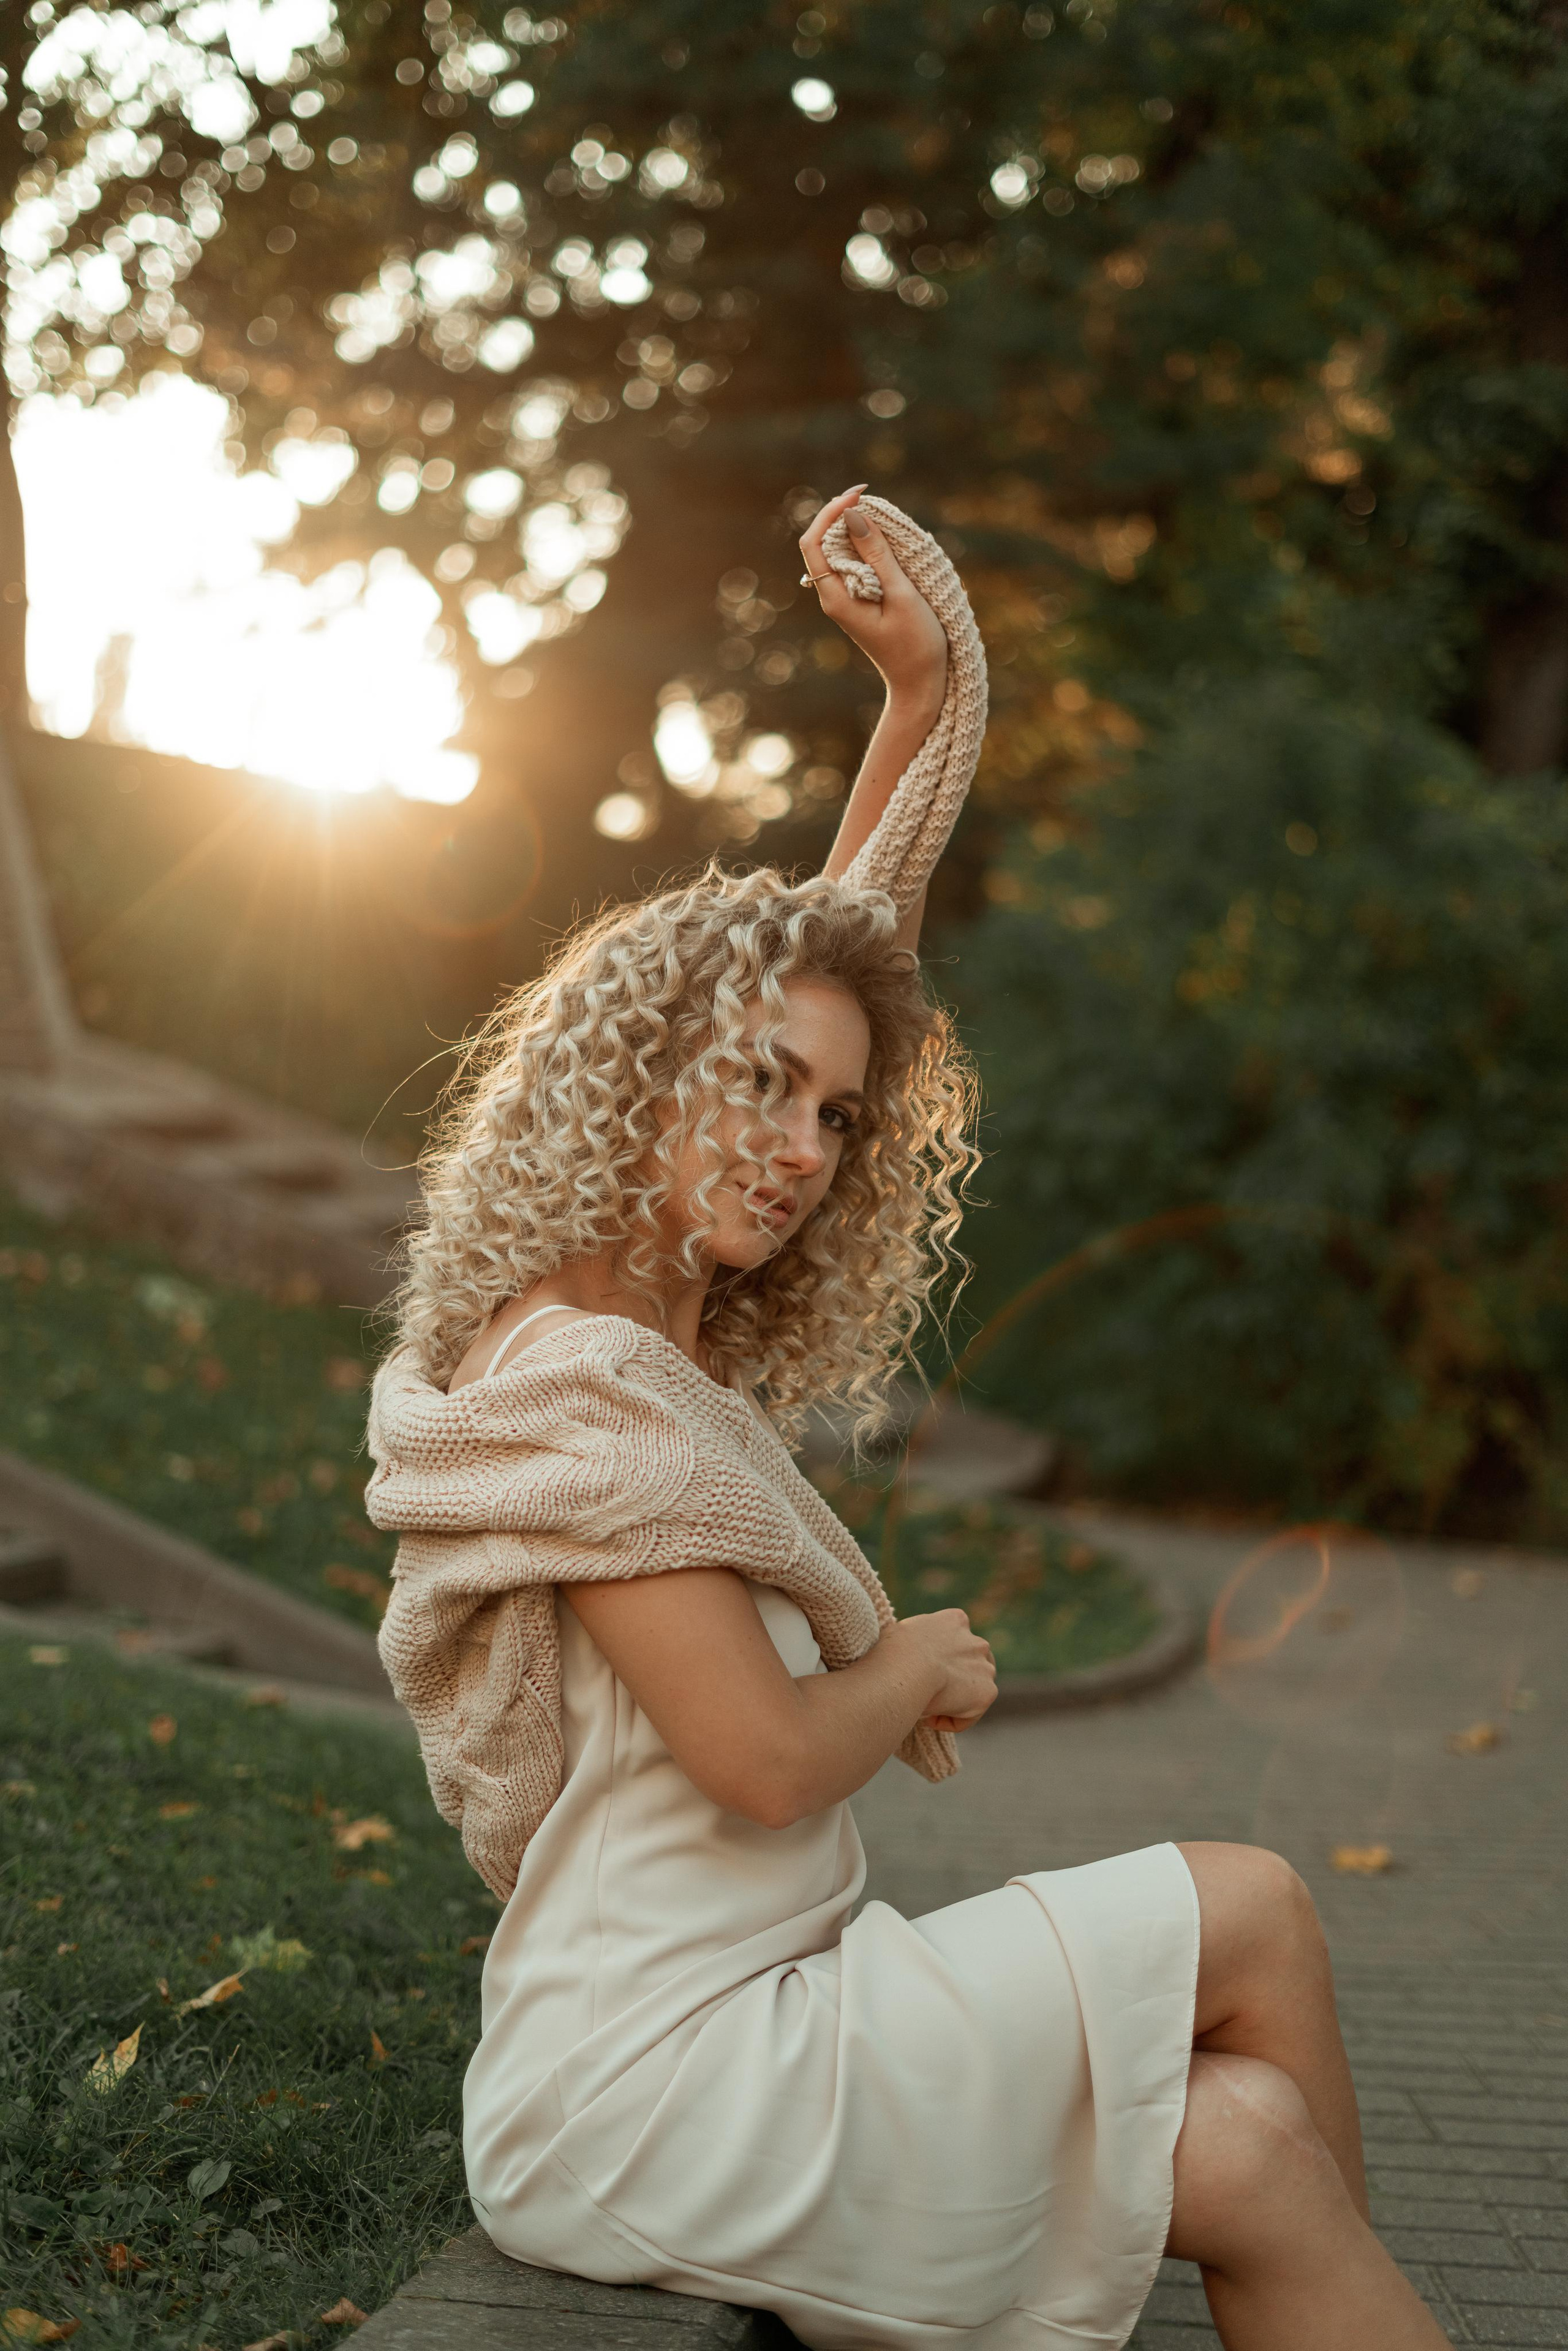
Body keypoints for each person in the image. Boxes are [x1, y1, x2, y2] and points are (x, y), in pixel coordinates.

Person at [366, 489, 1451, 2351]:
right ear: (645, 1080)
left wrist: (928, 700)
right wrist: (921, 1661)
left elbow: (847, 931)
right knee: (1253, 1905)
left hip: (774, 2008)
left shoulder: (651, 1352)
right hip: (656, 2081)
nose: (801, 1150)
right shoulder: (584, 1392)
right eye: (762, 1090)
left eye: (839, 1119)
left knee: (1257, 2146)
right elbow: (772, 1762)